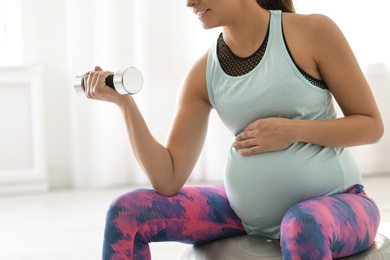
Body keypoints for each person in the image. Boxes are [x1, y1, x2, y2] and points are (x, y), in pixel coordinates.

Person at [83, 0, 384, 259]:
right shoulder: (203, 74)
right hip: (244, 214)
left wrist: (294, 131)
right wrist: (125, 105)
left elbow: (371, 125)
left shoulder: (313, 32)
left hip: (343, 203)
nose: (189, 2)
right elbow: (167, 178)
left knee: (301, 223)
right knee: (128, 212)